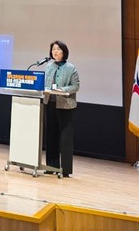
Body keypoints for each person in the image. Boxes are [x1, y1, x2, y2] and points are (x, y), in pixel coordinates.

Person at [44, 40, 79, 178]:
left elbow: (75, 86)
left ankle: (65, 169)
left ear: (64, 52)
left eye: (58, 49)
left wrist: (62, 90)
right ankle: (51, 166)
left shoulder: (71, 68)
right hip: (50, 104)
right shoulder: (48, 67)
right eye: (53, 49)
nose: (55, 52)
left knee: (65, 138)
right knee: (50, 136)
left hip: (66, 106)